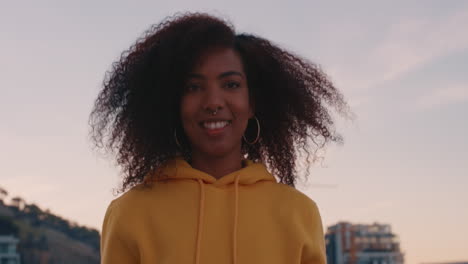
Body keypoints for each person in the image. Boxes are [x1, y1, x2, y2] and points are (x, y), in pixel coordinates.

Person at [90, 12, 350, 264]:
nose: (213, 102)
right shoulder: (130, 213)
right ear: (172, 105)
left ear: (253, 102)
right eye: (193, 87)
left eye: (231, 84)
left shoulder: (299, 214)